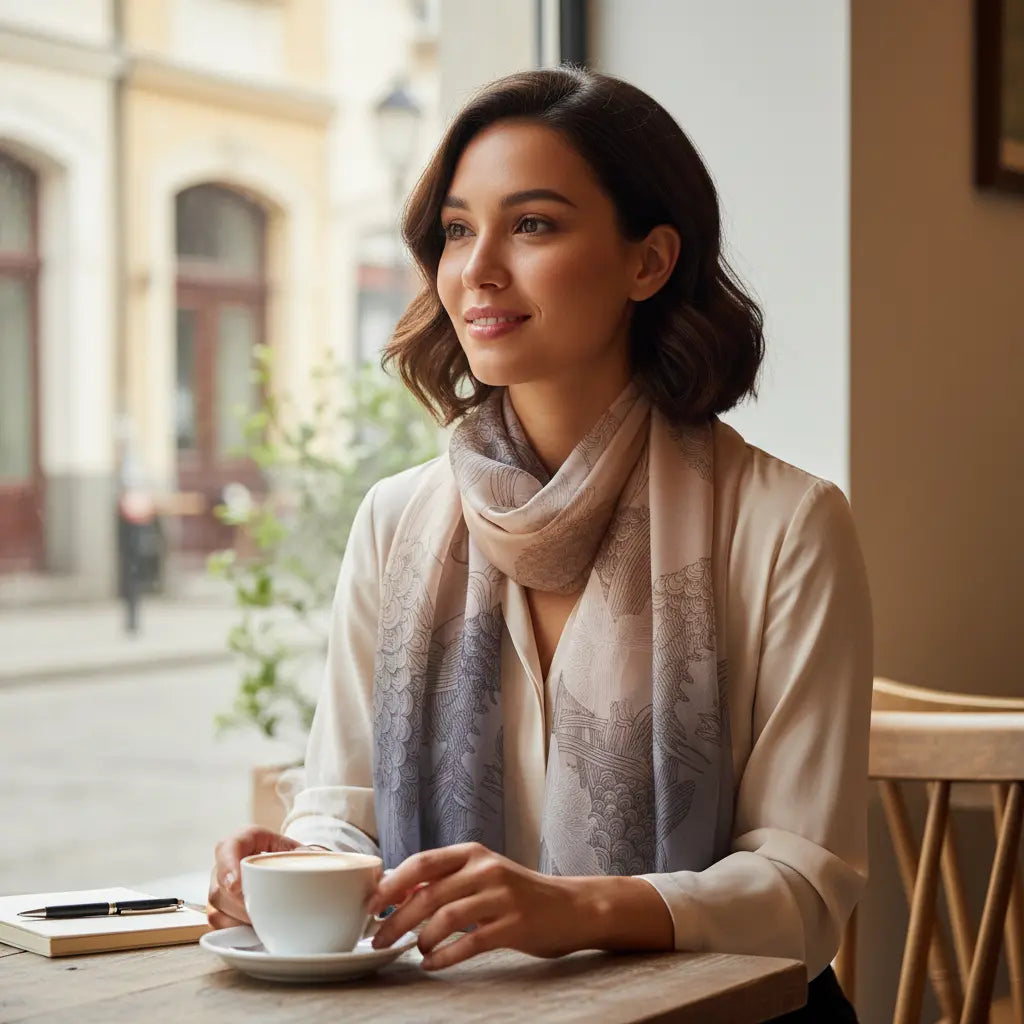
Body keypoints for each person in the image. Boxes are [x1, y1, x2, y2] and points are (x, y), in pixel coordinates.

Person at [209, 66, 870, 1021]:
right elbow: (344, 814)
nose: (477, 269)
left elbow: (802, 894)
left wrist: (575, 909)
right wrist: (295, 867)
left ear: (649, 262)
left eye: (531, 225)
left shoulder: (787, 525)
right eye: (456, 230)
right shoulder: (397, 522)